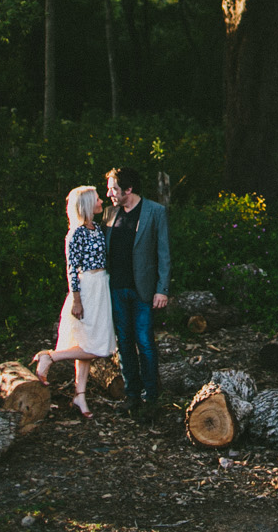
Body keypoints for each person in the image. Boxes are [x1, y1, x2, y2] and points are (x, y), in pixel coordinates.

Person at [32, 185, 117, 419]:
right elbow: (71, 270)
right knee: (97, 346)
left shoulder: (97, 228)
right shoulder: (76, 232)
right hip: (87, 288)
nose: (101, 201)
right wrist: (76, 299)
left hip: (102, 285)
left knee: (89, 342)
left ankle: (79, 395)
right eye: (97, 199)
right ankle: (51, 356)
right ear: (87, 204)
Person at [103, 165, 170, 416]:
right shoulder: (109, 214)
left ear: (128, 189)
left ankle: (151, 397)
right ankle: (131, 394)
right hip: (117, 290)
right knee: (125, 343)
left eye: (114, 189)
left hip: (143, 291)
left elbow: (164, 254)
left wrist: (162, 289)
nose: (110, 193)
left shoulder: (155, 212)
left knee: (145, 342)